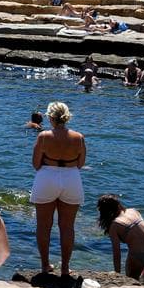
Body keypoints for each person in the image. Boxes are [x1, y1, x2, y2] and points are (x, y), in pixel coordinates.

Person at [30, 101, 86, 276]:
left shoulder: (44, 136)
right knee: (67, 226)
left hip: (47, 177)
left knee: (43, 226)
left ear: (50, 117)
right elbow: (81, 163)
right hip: (71, 178)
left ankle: (45, 265)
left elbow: (36, 164)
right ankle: (64, 268)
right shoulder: (79, 137)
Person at [97, 194, 144, 283]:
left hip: (138, 257)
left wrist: (117, 274)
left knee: (131, 282)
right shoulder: (133, 211)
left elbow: (117, 253)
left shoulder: (115, 225)